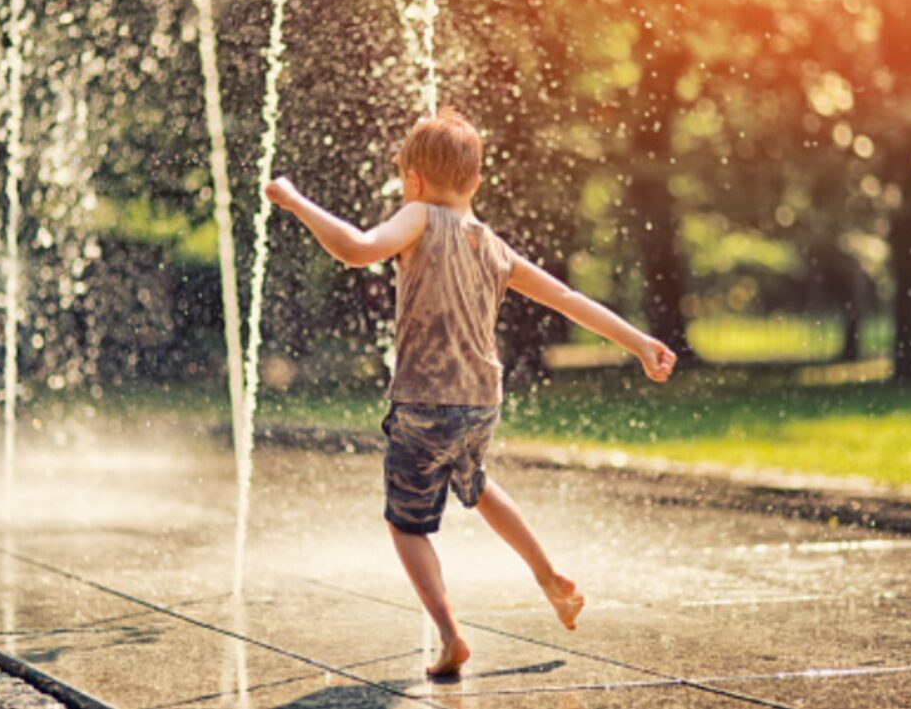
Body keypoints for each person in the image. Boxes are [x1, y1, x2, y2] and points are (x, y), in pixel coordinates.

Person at [265, 107, 677, 678]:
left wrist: (294, 201)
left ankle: (451, 635)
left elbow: (358, 248)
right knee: (476, 483)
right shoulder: (492, 244)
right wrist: (639, 342)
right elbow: (565, 299)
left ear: (412, 181)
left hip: (423, 401)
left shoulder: (417, 216)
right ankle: (547, 574)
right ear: (476, 180)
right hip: (482, 401)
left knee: (406, 523)